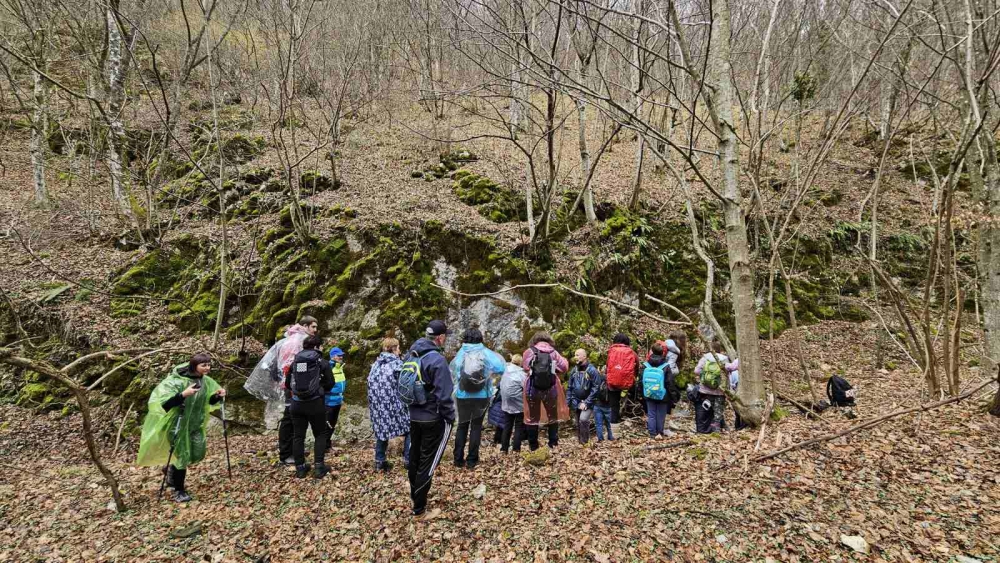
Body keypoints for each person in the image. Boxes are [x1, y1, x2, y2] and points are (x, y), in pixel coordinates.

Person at [137, 353, 226, 502]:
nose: (207, 368)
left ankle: (171, 469)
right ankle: (179, 490)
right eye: (204, 365)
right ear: (194, 365)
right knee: (182, 457)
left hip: (195, 424)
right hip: (176, 424)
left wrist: (218, 395)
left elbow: (209, 400)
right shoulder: (175, 382)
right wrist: (183, 395)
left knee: (198, 452)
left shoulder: (206, 381)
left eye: (209, 364)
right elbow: (164, 404)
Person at [244, 315, 317, 465]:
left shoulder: (289, 339)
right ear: (305, 325)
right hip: (294, 386)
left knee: (293, 418)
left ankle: (293, 450)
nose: (315, 330)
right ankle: (286, 454)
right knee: (290, 418)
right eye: (313, 327)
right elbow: (293, 365)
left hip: (290, 384)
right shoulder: (298, 341)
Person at [407, 320, 456, 518]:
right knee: (429, 461)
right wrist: (450, 417)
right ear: (440, 337)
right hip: (433, 417)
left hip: (413, 414)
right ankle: (419, 508)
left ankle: (415, 496)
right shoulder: (437, 360)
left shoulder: (411, 354)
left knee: (415, 457)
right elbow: (444, 394)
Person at [449, 328, 505, 469]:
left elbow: (454, 370)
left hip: (463, 396)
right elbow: (501, 368)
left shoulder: (462, 353)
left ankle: (458, 459)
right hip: (482, 396)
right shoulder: (485, 352)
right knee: (476, 427)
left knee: (462, 426)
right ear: (480, 338)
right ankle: (472, 460)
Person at [287, 335, 336, 478]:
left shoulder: (295, 362)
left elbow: (287, 383)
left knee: (298, 435)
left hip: (296, 403)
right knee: (320, 434)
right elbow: (330, 383)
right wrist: (320, 389)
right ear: (316, 347)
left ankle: (300, 468)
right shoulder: (322, 362)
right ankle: (319, 468)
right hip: (315, 403)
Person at [367, 338, 411, 472]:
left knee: (381, 432)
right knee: (410, 428)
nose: (400, 350)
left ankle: (380, 462)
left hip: (378, 407)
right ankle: (409, 460)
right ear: (393, 349)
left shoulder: (376, 364)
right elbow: (405, 386)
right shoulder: (397, 365)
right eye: (398, 348)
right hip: (394, 406)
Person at [521, 332, 570, 451]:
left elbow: (525, 367)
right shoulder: (553, 352)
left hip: (532, 388)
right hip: (551, 388)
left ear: (535, 340)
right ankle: (553, 443)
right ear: (549, 340)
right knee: (552, 416)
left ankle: (533, 446)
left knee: (532, 418)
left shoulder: (529, 351)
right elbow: (564, 368)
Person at [693, 340, 731, 434]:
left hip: (705, 390)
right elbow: (728, 371)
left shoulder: (705, 358)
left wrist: (706, 376)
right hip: (719, 390)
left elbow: (696, 371)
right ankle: (717, 429)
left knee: (706, 410)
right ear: (720, 349)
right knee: (718, 410)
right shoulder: (724, 359)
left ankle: (704, 429)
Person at [566, 349, 601, 444]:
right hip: (576, 401)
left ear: (584, 356)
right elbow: (570, 387)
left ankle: (585, 443)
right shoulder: (574, 370)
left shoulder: (592, 370)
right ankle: (580, 443)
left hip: (588, 401)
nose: (575, 357)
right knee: (578, 423)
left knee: (583, 419)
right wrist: (568, 401)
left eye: (577, 355)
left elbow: (596, 388)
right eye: (575, 355)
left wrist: (586, 402)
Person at [605, 333, 639, 426]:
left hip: (612, 384)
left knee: (613, 405)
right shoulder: (632, 353)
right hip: (626, 384)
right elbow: (636, 368)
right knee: (627, 395)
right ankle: (626, 412)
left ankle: (613, 427)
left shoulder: (611, 351)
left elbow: (608, 367)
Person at [642, 342, 673, 438]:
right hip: (662, 394)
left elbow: (641, 381)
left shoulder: (645, 365)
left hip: (648, 392)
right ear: (663, 352)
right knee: (661, 415)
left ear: (651, 351)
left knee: (651, 414)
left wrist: (640, 393)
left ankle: (652, 433)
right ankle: (659, 433)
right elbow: (669, 383)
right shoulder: (666, 366)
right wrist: (673, 396)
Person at [499, 353, 527, 453]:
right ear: (520, 363)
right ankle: (516, 448)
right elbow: (526, 388)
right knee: (519, 426)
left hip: (506, 403)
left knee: (507, 425)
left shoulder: (505, 371)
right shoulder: (521, 374)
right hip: (518, 404)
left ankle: (504, 448)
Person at [325, 347, 347, 449]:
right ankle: (324, 447)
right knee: (327, 425)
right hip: (329, 402)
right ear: (333, 356)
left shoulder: (339, 367)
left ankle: (327, 446)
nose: (341, 357)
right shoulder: (329, 368)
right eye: (339, 355)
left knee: (332, 424)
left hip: (337, 401)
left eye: (341, 355)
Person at [593, 367, 614, 442]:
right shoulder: (612, 380)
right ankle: (611, 437)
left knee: (599, 424)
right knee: (609, 424)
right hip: (609, 405)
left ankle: (600, 439)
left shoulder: (597, 379)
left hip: (597, 404)